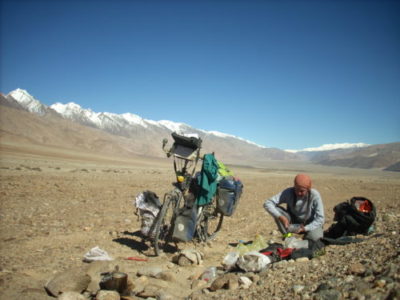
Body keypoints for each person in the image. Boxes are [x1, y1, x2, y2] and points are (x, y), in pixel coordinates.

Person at [263, 173, 324, 241]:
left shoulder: (314, 195)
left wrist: (305, 228)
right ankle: (287, 236)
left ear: (308, 189)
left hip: (309, 224)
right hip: (293, 223)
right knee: (277, 210)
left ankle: (307, 236)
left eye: (302, 191)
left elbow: (320, 218)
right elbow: (267, 203)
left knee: (316, 238)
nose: (298, 193)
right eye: (296, 189)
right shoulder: (289, 192)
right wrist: (281, 217)